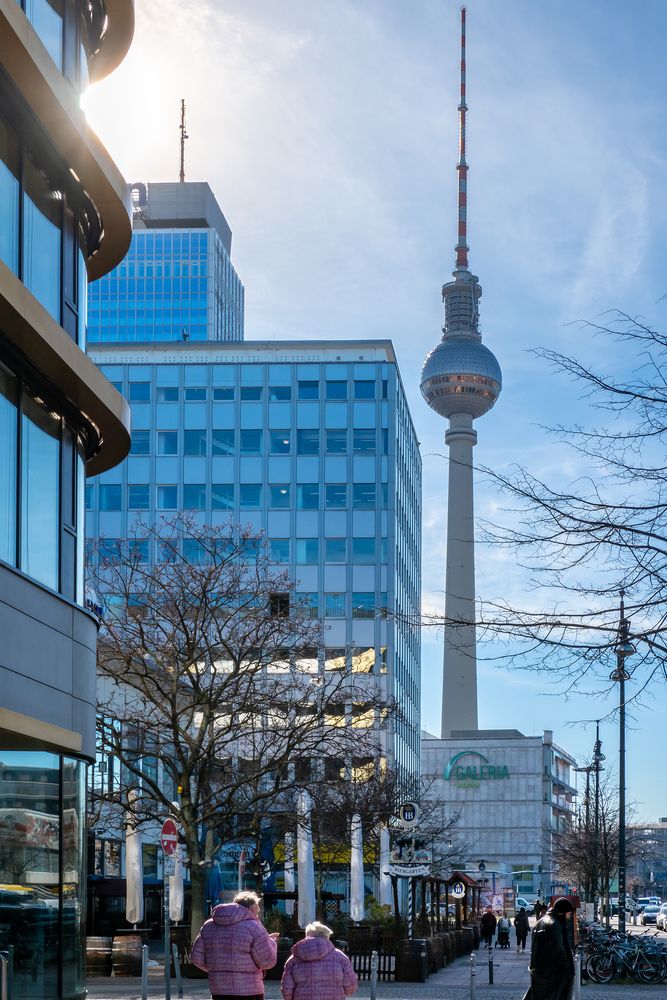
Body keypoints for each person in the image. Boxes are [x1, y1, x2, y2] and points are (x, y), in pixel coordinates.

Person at [190, 890, 278, 1000]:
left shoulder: (208, 926)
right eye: (257, 909)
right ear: (250, 909)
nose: (258, 913)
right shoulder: (254, 927)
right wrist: (272, 943)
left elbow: (196, 958)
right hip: (250, 991)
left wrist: (217, 969)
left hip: (219, 990)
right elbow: (267, 961)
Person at [281, 921, 357, 1000]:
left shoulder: (294, 959)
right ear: (327, 937)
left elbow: (287, 988)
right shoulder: (340, 957)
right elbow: (351, 985)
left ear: (307, 936)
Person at [526, 897, 575, 1000]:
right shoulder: (554, 925)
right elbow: (559, 951)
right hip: (552, 977)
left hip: (539, 974)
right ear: (563, 912)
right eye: (569, 914)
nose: (569, 917)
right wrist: (568, 972)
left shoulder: (539, 923)